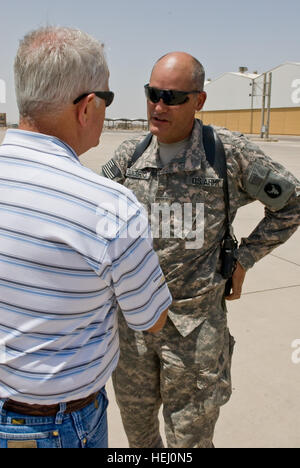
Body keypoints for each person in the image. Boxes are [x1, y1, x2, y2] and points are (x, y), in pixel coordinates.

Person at [101, 52, 300, 448]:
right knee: (139, 440)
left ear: (199, 101)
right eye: (152, 93)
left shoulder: (228, 155)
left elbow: (292, 202)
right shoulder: (129, 157)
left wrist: (244, 259)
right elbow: (95, 217)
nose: (158, 106)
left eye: (172, 97)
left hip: (194, 334)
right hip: (134, 332)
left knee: (189, 444)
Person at [0, 27, 172, 449]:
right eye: (108, 99)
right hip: (57, 426)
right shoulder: (109, 205)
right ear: (87, 107)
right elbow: (151, 319)